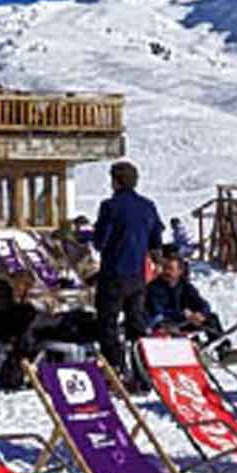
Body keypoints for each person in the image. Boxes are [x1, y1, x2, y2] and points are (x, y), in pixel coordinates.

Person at [92, 159, 163, 385]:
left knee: (108, 323)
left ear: (115, 181)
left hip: (113, 274)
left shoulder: (110, 206)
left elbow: (100, 241)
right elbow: (156, 240)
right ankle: (142, 370)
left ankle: (116, 368)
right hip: (138, 276)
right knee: (136, 323)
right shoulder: (148, 206)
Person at [145, 253, 237, 364]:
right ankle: (196, 351)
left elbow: (202, 303)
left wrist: (201, 313)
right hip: (165, 323)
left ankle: (223, 350)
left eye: (170, 269)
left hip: (185, 321)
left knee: (212, 318)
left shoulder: (185, 286)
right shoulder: (154, 288)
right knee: (171, 326)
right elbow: (157, 311)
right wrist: (182, 315)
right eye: (165, 268)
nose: (167, 272)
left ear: (180, 271)